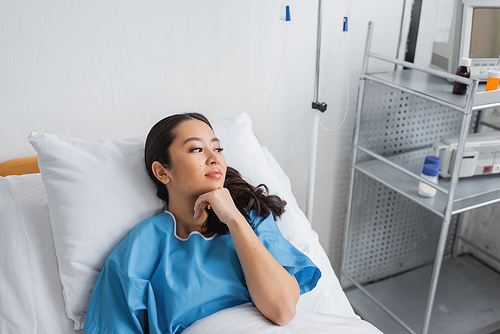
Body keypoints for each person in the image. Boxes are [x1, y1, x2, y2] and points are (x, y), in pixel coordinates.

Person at [83, 113, 321, 334]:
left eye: (218, 148)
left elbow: (283, 310)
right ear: (162, 172)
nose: (214, 157)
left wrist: (235, 220)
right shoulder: (140, 248)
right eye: (197, 149)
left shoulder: (250, 220)